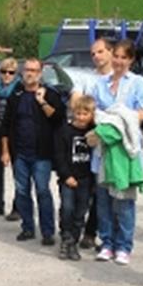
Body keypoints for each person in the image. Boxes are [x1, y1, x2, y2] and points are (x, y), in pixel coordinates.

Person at [90, 40, 143, 264]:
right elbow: (95, 112)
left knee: (124, 201)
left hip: (125, 149)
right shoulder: (100, 83)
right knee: (103, 200)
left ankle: (124, 246)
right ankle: (106, 243)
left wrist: (117, 118)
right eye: (116, 56)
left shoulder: (138, 83)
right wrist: (106, 119)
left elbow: (142, 113)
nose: (119, 61)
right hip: (104, 150)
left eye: (124, 58)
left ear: (131, 60)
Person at [1, 57, 65, 246]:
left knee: (43, 191)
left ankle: (47, 231)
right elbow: (6, 125)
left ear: (40, 73)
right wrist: (5, 151)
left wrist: (43, 102)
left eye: (34, 70)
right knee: (22, 191)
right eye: (27, 70)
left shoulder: (50, 93)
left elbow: (59, 118)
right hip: (20, 153)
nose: (30, 73)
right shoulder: (16, 94)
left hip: (42, 154)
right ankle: (27, 227)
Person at [78, 38, 113, 248]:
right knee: (90, 189)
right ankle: (87, 231)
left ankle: (103, 234)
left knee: (108, 191)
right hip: (90, 139)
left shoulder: (118, 80)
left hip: (110, 142)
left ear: (110, 52)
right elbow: (77, 102)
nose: (96, 57)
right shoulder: (88, 80)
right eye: (93, 53)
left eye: (100, 52)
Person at [56, 94, 96, 260]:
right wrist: (66, 175)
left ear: (91, 115)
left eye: (85, 114)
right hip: (68, 178)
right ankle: (66, 237)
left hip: (86, 178)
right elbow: (59, 155)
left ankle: (73, 241)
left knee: (81, 211)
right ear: (73, 112)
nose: (81, 118)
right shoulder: (64, 131)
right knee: (67, 208)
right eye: (78, 114)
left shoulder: (93, 132)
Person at [0, 57, 19, 219]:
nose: (7, 75)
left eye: (11, 72)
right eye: (3, 72)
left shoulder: (18, 88)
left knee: (17, 173)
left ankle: (17, 207)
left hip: (13, 133)